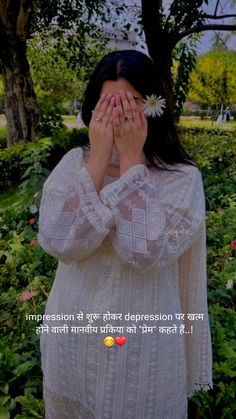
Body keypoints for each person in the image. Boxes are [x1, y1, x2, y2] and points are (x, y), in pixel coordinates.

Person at [37, 50, 213, 419]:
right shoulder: (74, 165)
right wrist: (98, 162)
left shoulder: (181, 179)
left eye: (130, 104)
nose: (117, 115)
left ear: (153, 107)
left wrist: (132, 163)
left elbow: (144, 251)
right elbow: (59, 242)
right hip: (71, 338)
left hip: (141, 352)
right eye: (107, 104)